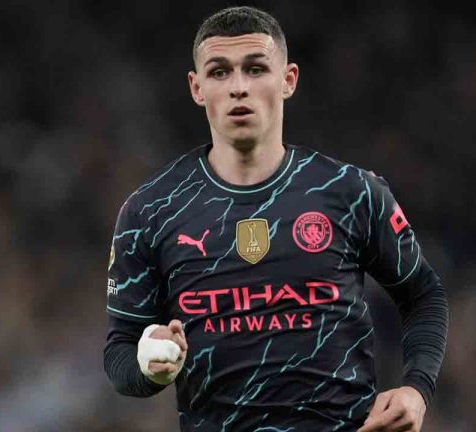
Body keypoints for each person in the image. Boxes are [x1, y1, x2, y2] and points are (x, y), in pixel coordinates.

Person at [104, 6, 448, 431]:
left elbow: (424, 295)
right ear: (197, 88)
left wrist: (416, 389)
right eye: (219, 72)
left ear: (288, 79)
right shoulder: (151, 211)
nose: (238, 88)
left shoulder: (351, 192)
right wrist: (148, 366)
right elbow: (120, 352)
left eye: (255, 69)